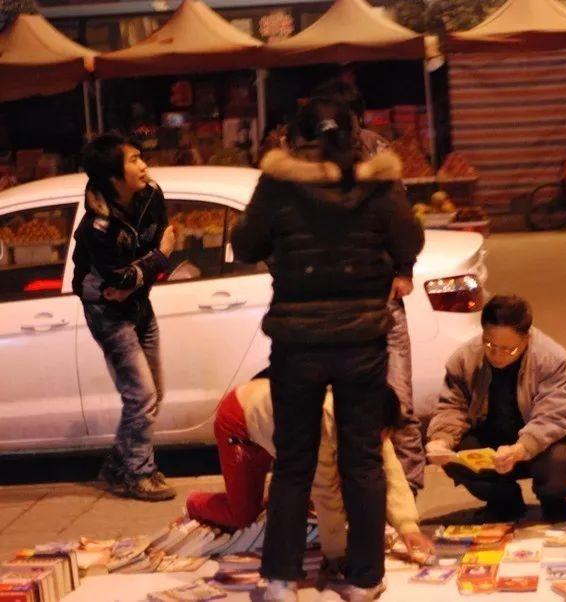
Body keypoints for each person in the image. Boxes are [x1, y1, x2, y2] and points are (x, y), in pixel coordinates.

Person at [231, 96, 423, 601]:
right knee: (362, 460)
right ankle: (365, 579)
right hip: (362, 341)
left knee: (295, 461)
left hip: (297, 343)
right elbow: (410, 242)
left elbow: (245, 245)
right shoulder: (377, 183)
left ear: (297, 136)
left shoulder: (278, 184)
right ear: (355, 133)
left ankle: (281, 580)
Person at [184, 380, 433, 579]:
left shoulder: (364, 417)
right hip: (240, 421)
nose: (377, 444)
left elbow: (388, 469)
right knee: (242, 515)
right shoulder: (320, 425)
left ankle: (271, 501)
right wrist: (335, 553)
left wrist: (408, 527)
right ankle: (195, 503)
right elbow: (326, 490)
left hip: (274, 416)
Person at [310, 78, 425, 494]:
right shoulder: (305, 155)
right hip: (331, 307)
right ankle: (356, 494)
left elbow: (402, 219)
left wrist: (403, 270)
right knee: (341, 410)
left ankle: (408, 492)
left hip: (380, 300)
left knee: (399, 403)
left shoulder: (376, 152)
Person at [72, 133, 177, 502]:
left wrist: (135, 280)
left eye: (141, 157)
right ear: (114, 177)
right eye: (134, 160)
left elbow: (165, 240)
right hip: (106, 313)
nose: (144, 166)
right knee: (141, 396)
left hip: (137, 303)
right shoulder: (97, 228)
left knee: (153, 393)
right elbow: (123, 276)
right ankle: (138, 473)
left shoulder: (151, 195)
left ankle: (119, 465)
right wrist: (155, 261)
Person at [425, 295, 566, 523]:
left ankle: (554, 502)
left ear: (527, 338)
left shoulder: (551, 358)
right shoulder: (465, 358)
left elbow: (555, 416)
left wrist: (521, 448)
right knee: (456, 455)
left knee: (558, 460)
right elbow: (452, 407)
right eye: (489, 344)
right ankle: (504, 502)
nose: (497, 355)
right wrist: (441, 440)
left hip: (541, 444)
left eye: (508, 350)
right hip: (493, 444)